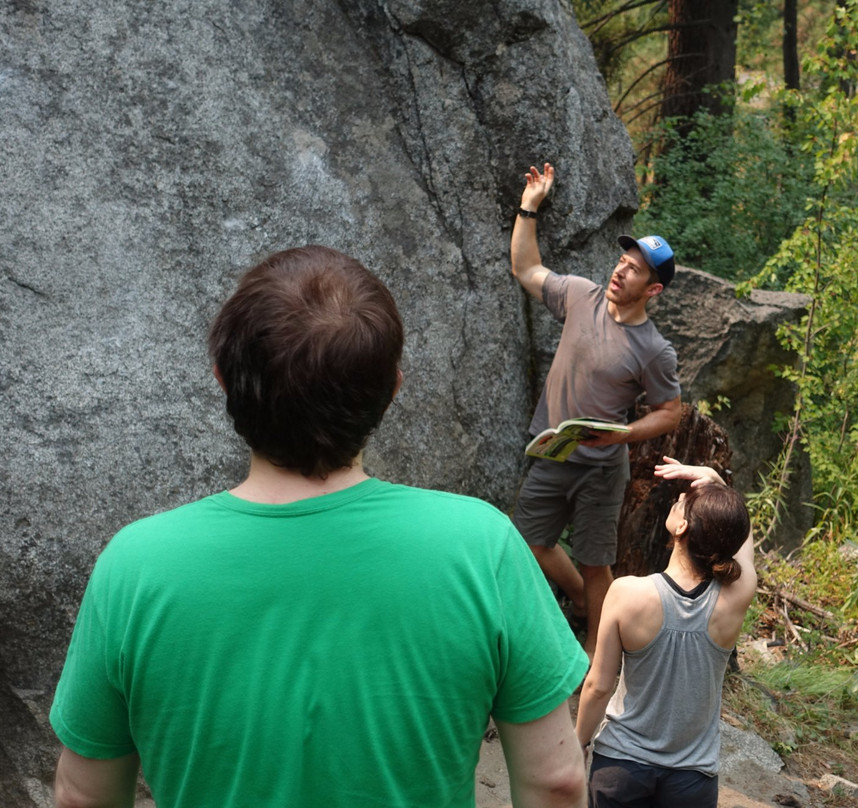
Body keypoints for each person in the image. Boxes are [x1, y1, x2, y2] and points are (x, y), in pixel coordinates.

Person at [49, 246, 589, 808]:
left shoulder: (135, 566)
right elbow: (557, 782)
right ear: (392, 390)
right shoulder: (484, 545)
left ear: (224, 381)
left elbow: (83, 797)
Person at [510, 163, 682, 657]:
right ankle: (585, 605)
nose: (620, 270)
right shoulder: (580, 296)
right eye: (622, 261)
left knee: (594, 563)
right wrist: (530, 205)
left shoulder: (654, 350)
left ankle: (594, 658)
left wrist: (624, 436)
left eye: (634, 269)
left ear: (653, 289)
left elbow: (670, 411)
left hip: (602, 470)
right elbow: (526, 269)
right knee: (530, 542)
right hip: (552, 453)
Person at [574, 457, 757, 808]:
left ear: (681, 525)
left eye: (681, 501)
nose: (676, 500)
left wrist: (579, 741)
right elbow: (742, 539)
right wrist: (717, 482)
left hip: (621, 769)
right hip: (692, 781)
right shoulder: (735, 598)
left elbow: (598, 686)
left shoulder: (628, 593)